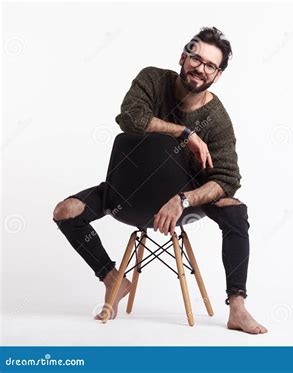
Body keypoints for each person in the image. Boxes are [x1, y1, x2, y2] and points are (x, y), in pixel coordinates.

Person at [52, 26, 267, 334]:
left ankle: (238, 308)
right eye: (196, 58)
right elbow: (130, 117)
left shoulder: (217, 119)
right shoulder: (153, 79)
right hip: (126, 193)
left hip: (183, 199)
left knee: (235, 210)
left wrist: (184, 199)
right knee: (65, 211)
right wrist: (184, 133)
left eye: (210, 65)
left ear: (217, 75)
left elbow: (227, 178)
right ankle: (112, 279)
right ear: (184, 57)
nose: (200, 68)